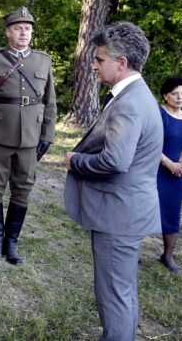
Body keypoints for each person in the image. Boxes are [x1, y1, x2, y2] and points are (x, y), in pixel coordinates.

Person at [64, 22, 162, 341]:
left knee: (113, 297)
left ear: (121, 64)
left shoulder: (130, 102)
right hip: (129, 211)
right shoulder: (138, 94)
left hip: (117, 215)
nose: (94, 64)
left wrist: (75, 161)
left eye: (100, 59)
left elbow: (115, 161)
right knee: (123, 291)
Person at [0, 7, 57, 264]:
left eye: (27, 29)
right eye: (18, 28)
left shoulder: (43, 61)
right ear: (8, 32)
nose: (23, 33)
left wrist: (47, 135)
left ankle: (11, 243)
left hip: (30, 138)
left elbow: (50, 103)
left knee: (23, 190)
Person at [156, 77, 182, 273]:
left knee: (172, 214)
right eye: (174, 93)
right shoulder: (158, 113)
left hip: (175, 175)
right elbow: (150, 143)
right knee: (144, 210)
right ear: (165, 96)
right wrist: (169, 163)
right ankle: (130, 253)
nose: (179, 97)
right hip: (154, 170)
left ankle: (167, 256)